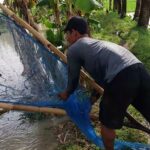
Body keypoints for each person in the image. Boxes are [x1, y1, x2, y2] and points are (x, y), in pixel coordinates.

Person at [58, 16, 150, 150]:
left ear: (75, 32)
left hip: (121, 77)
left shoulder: (74, 48)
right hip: (139, 69)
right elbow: (102, 80)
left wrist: (66, 93)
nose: (67, 38)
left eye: (68, 34)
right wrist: (91, 100)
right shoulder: (96, 44)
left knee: (107, 123)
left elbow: (73, 78)